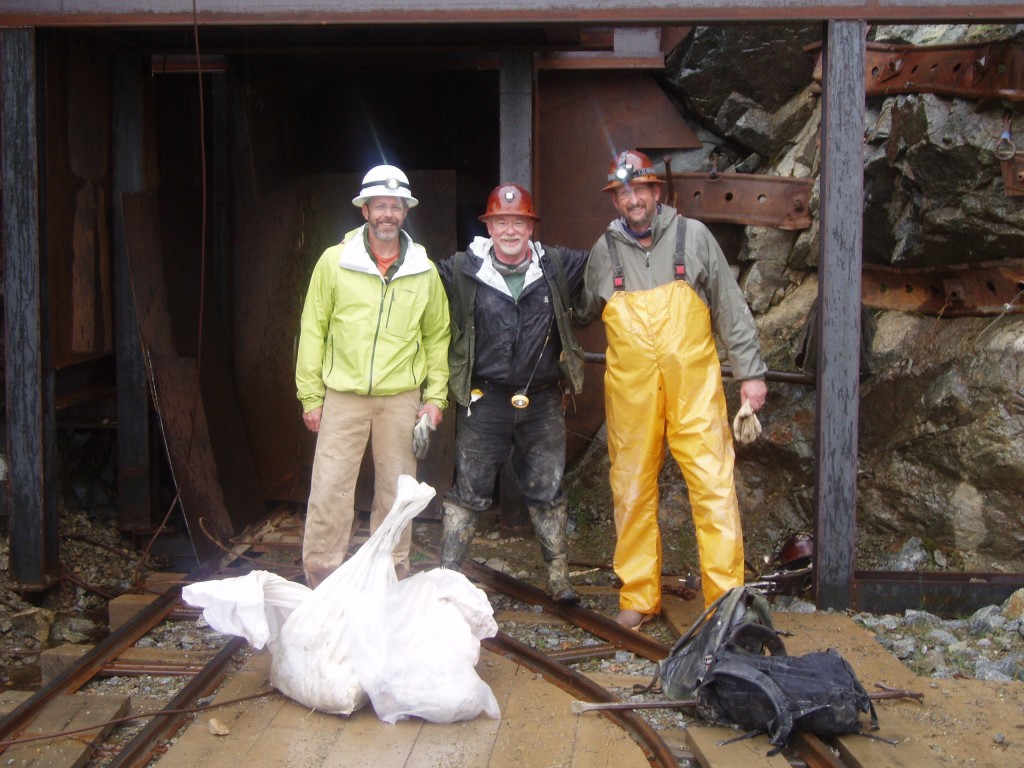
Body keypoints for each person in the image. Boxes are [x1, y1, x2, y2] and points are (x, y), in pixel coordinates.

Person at [577, 150, 768, 628]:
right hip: (631, 395)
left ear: (655, 192)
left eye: (640, 189)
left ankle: (725, 601)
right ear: (616, 200)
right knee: (631, 487)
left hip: (695, 389)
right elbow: (579, 312)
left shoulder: (694, 237)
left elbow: (730, 307)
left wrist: (751, 374)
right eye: (624, 192)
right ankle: (639, 596)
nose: (633, 199)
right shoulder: (604, 251)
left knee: (713, 485)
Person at [295, 164, 451, 588]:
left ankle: (391, 574)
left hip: (401, 396)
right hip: (342, 394)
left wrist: (435, 399)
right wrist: (311, 396)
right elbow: (313, 329)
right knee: (330, 487)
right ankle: (321, 576)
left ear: (405, 212)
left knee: (397, 494)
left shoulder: (424, 270)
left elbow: (438, 338)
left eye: (395, 207)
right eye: (379, 205)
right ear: (364, 210)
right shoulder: (334, 262)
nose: (387, 214)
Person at [436, 183, 588, 603]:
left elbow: (613, 260)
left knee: (548, 488)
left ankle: (558, 579)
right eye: (501, 221)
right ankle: (448, 578)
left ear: (530, 227)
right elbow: (418, 281)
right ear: (488, 225)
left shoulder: (557, 266)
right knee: (468, 491)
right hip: (485, 401)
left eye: (518, 221)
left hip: (542, 400)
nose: (509, 230)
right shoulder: (462, 269)